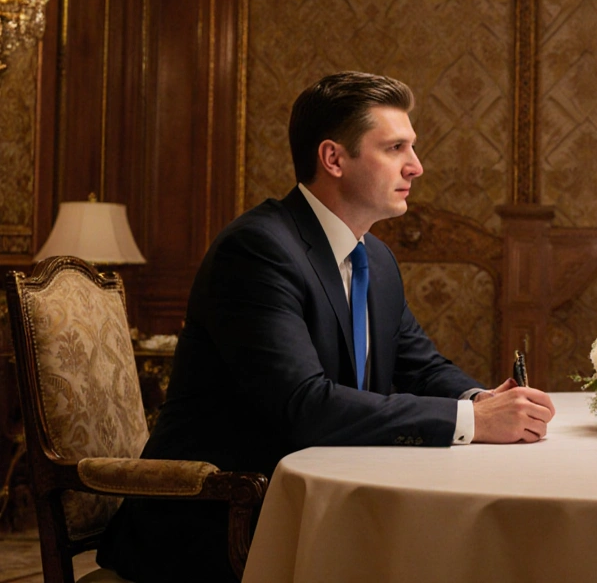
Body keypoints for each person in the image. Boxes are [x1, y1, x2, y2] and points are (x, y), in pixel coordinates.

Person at [98, 72, 555, 582]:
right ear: (334, 159)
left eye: (413, 147)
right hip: (221, 524)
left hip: (318, 509)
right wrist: (473, 423)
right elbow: (304, 406)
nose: (416, 166)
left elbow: (421, 366)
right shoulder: (257, 251)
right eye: (396, 147)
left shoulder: (374, 258)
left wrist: (482, 399)